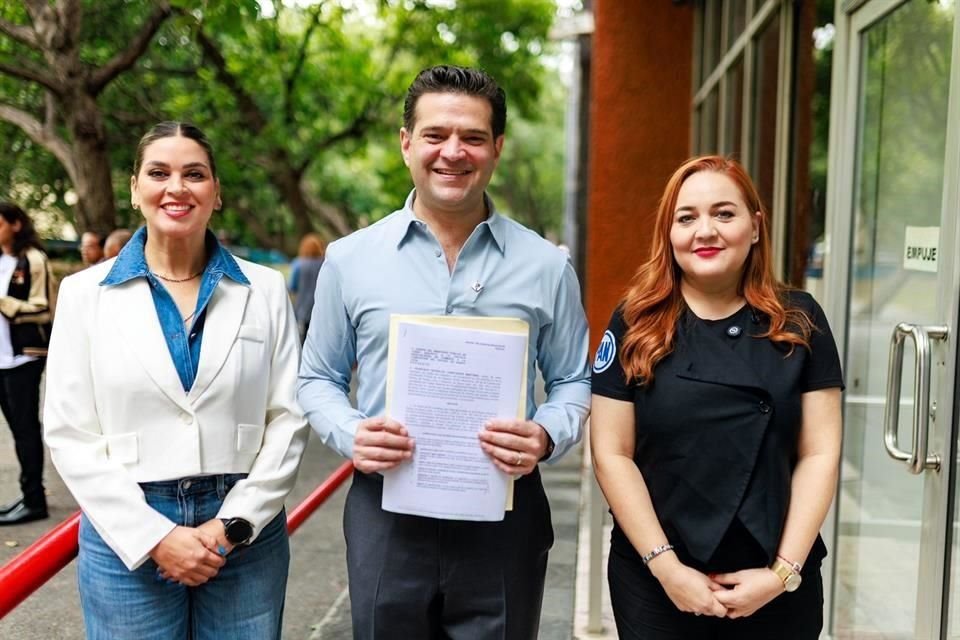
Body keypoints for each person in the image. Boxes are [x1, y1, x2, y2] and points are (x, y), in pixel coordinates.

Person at [298, 65, 591, 639]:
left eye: (473, 138)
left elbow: (574, 380)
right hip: (387, 513)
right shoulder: (349, 259)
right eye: (435, 135)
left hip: (504, 515)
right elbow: (318, 378)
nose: (452, 152)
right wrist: (351, 432)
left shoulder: (547, 266)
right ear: (407, 143)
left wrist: (547, 434)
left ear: (497, 148)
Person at [43, 121, 308, 639]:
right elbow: (70, 432)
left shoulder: (265, 289)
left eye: (195, 174)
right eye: (159, 173)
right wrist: (154, 536)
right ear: (136, 189)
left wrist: (232, 525)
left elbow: (288, 418)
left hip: (243, 525)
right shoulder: (83, 294)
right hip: (128, 524)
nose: (177, 187)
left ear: (217, 193)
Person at [590, 155, 844, 639]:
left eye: (724, 214)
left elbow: (820, 453)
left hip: (775, 577)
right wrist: (668, 570)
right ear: (669, 234)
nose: (704, 230)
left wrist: (782, 573)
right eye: (686, 218)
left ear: (755, 226)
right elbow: (611, 453)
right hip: (657, 576)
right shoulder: (635, 321)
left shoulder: (800, 319)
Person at [0, 202, 54, 526]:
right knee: (15, 428)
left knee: (25, 428)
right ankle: (26, 494)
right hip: (1, 357)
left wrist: (4, 302)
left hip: (23, 356)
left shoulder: (33, 259)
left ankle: (35, 500)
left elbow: (44, 306)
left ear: (16, 224)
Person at [288, 232, 325, 342]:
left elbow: (292, 287)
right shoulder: (325, 264)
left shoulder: (298, 264)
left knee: (302, 340)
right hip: (321, 310)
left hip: (302, 310)